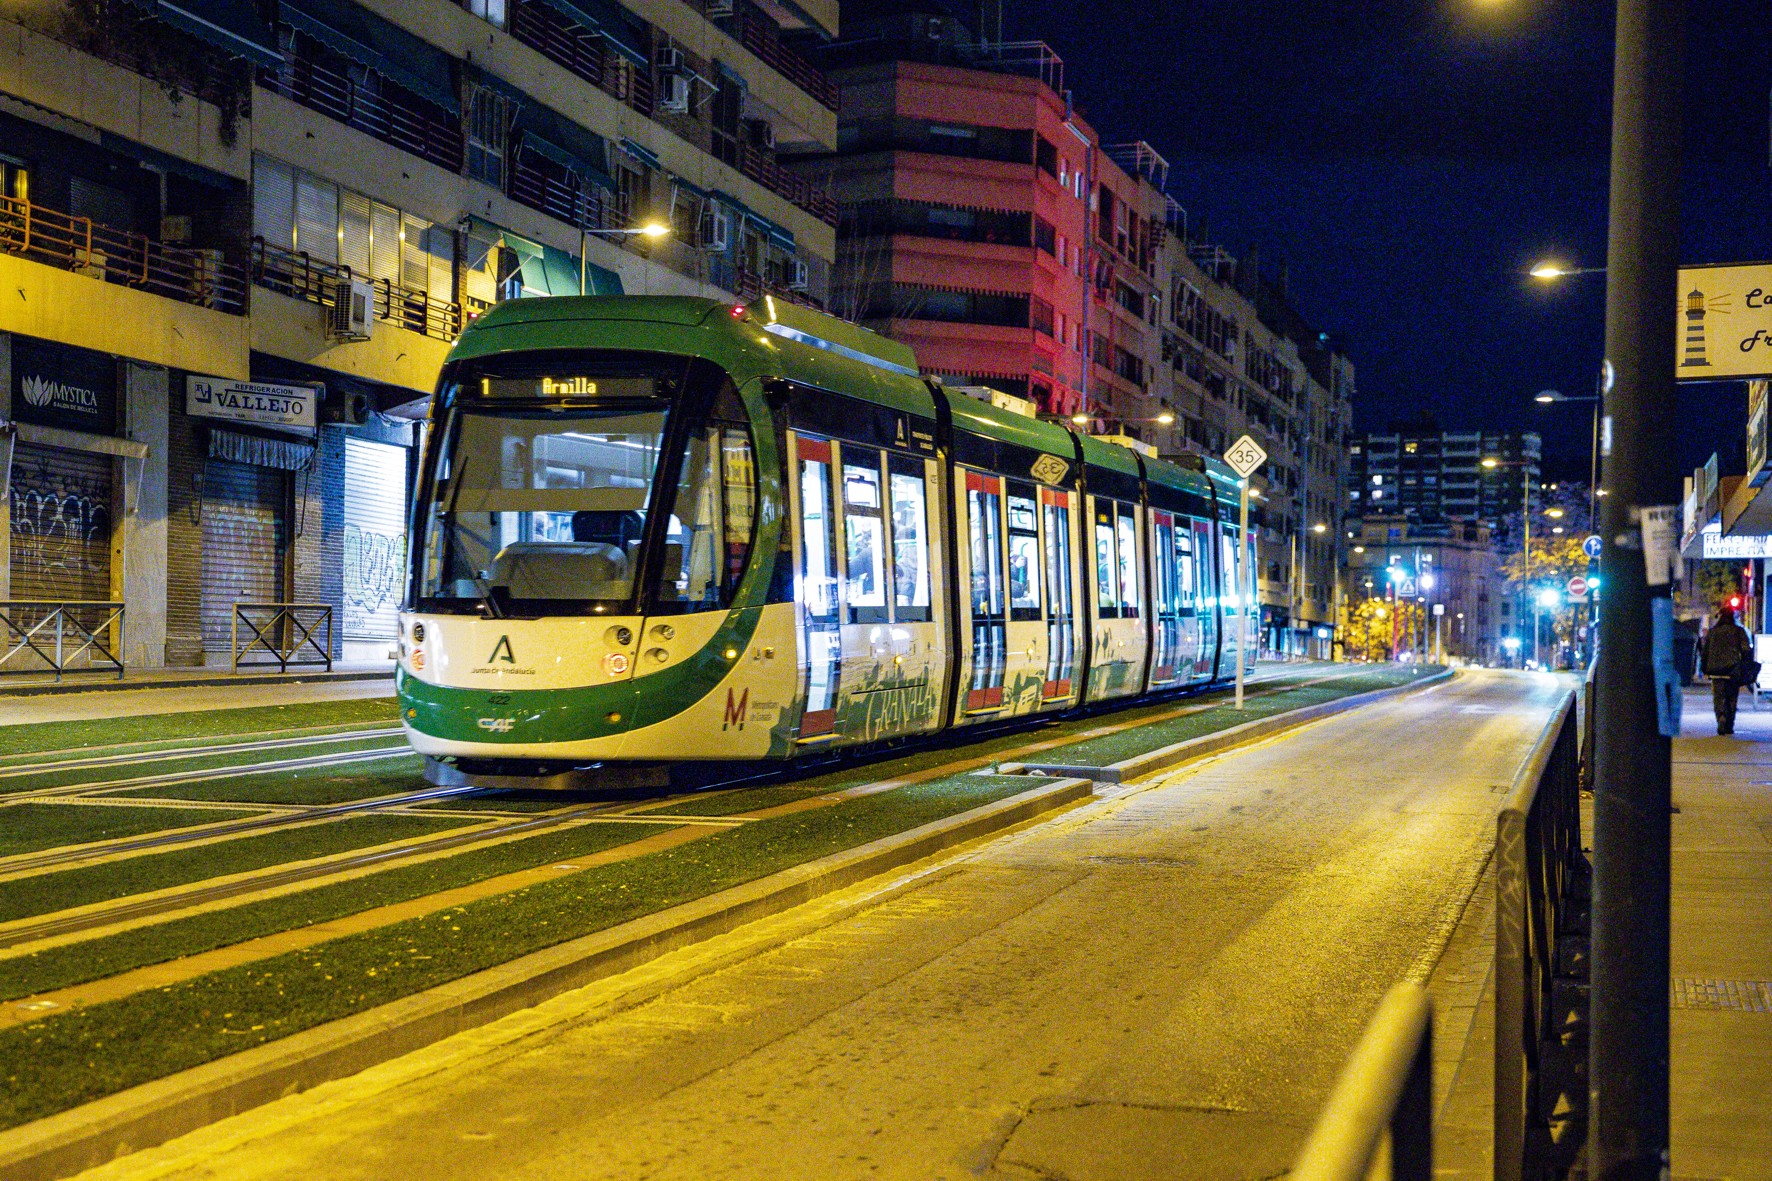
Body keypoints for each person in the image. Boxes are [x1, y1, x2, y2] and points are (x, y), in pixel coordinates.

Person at [1700, 605, 1754, 735]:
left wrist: (1704, 668)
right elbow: (1746, 649)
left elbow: (1705, 651)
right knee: (1732, 697)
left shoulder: (1713, 632)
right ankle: (1729, 724)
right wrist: (1746, 663)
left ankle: (1721, 717)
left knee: (1718, 696)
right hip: (1732, 669)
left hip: (1715, 670)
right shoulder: (1738, 631)